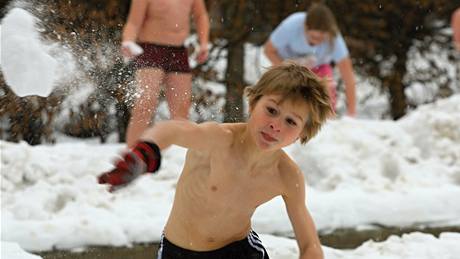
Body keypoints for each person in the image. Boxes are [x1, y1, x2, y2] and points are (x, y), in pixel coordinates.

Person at [98, 63, 333, 259]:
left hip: (239, 252)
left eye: (291, 122)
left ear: (303, 133)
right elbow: (172, 130)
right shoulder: (219, 140)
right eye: (271, 110)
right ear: (253, 103)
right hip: (178, 251)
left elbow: (310, 244)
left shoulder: (287, 175)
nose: (276, 125)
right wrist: (143, 154)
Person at [121, 0, 210, 147]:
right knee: (146, 102)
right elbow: (133, 22)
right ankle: (132, 153)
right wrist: (128, 41)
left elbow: (201, 15)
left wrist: (204, 42)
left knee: (182, 109)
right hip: (150, 49)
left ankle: (179, 157)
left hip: (178, 51)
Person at [264, 3, 356, 116]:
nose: (317, 42)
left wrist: (352, 113)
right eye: (313, 37)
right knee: (286, 95)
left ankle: (327, 120)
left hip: (318, 67)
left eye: (321, 38)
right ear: (305, 28)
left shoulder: (334, 38)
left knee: (327, 87)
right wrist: (286, 68)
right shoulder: (291, 25)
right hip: (288, 67)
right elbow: (268, 50)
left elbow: (348, 75)